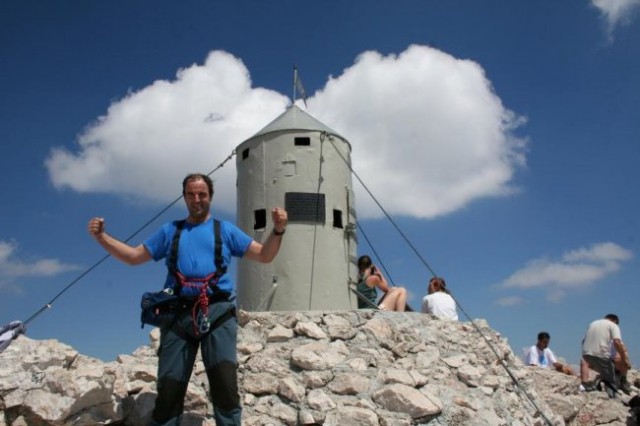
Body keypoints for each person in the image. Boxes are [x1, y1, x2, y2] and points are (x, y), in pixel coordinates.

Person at [88, 173, 288, 426]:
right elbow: (133, 257)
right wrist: (102, 237)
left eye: (202, 194)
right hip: (177, 315)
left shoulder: (225, 230)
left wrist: (278, 230)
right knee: (169, 385)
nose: (197, 199)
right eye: (191, 194)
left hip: (217, 312)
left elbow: (264, 255)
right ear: (184, 197)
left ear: (210, 197)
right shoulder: (170, 231)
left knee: (224, 382)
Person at [580, 314, 632, 395]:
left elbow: (583, 341)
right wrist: (625, 359)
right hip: (603, 358)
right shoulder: (613, 325)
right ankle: (613, 392)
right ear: (615, 322)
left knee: (584, 361)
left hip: (587, 356)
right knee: (610, 381)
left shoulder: (593, 324)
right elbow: (617, 342)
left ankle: (584, 384)